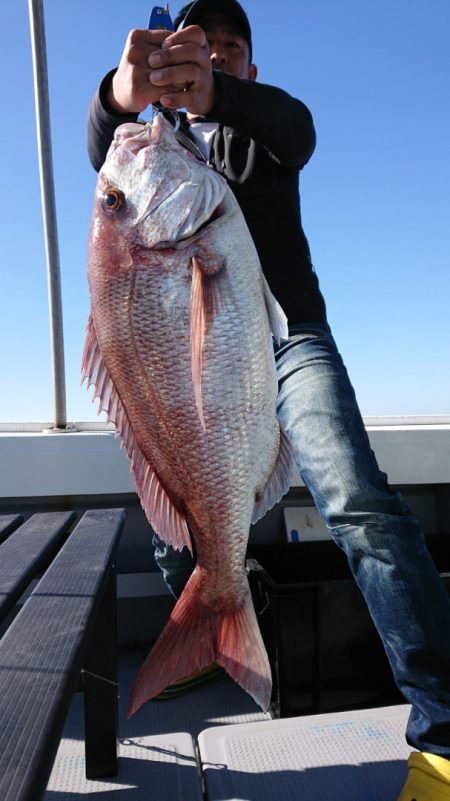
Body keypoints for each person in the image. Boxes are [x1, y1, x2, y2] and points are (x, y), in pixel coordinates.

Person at [87, 1, 450, 797]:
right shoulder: (157, 142)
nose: (211, 58)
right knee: (164, 476)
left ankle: (443, 736)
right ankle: (204, 630)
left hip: (289, 343)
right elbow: (100, 151)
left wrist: (215, 95)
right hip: (202, 368)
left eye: (228, 50)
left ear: (246, 68)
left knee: (358, 501)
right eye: (198, 46)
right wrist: (121, 94)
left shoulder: (259, 136)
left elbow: (300, 127)